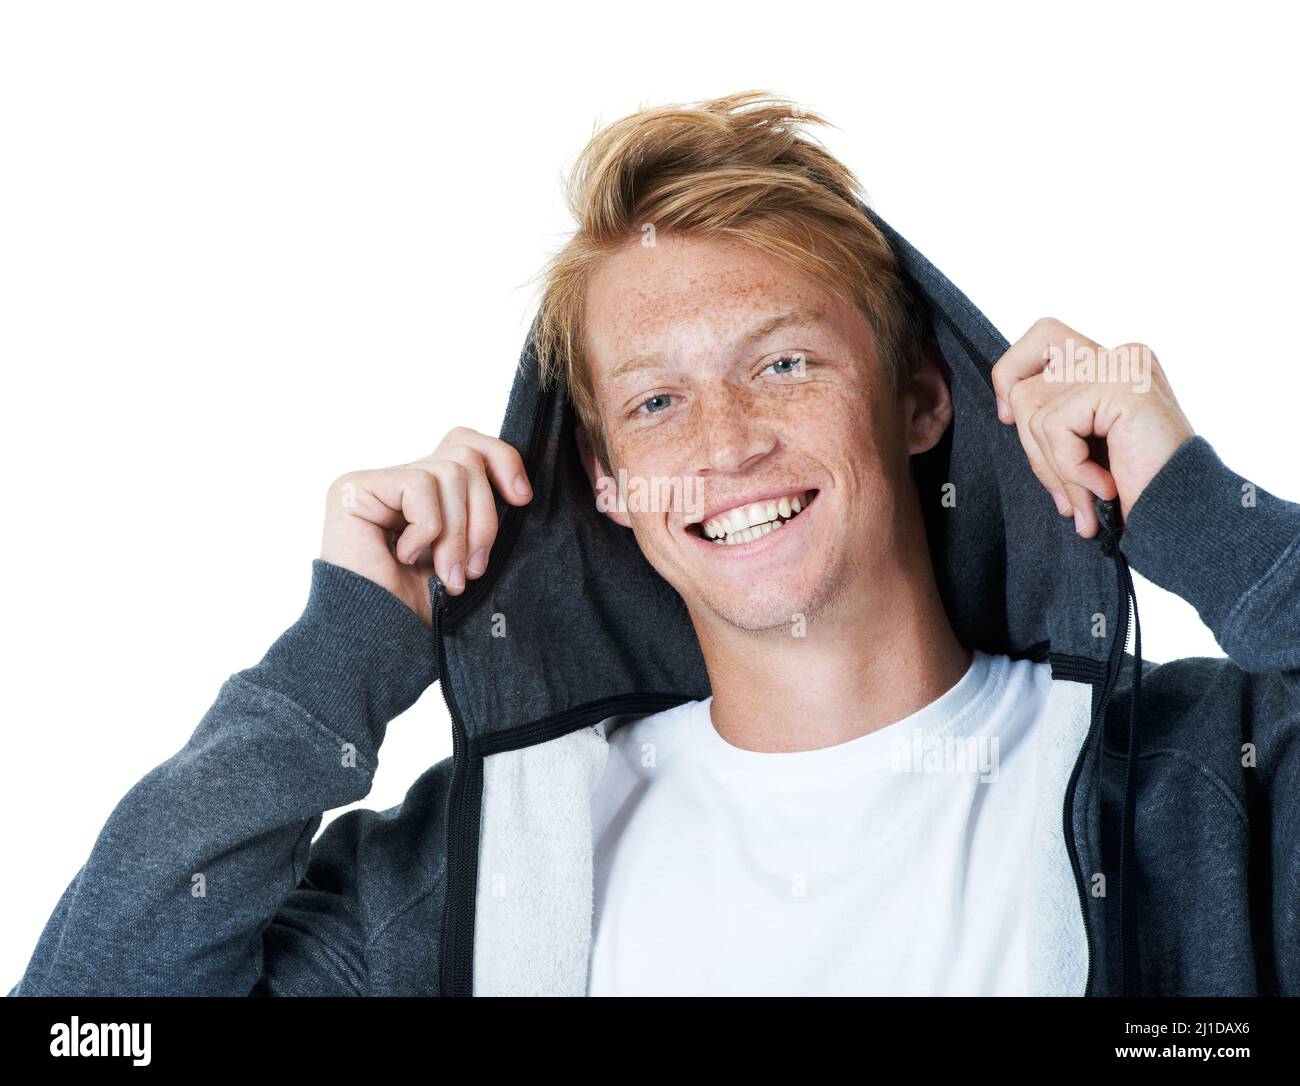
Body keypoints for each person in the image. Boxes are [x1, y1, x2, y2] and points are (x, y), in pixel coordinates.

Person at [11, 91, 1298, 997]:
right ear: (611, 485)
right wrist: (329, 662)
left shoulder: (1206, 785)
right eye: (655, 403)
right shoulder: (476, 862)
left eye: (783, 363)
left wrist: (1199, 513)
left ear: (920, 400)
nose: (725, 442)